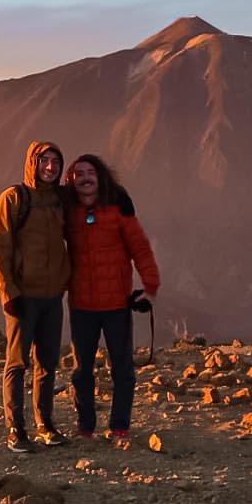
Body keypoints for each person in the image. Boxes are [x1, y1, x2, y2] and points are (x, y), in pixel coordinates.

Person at [65, 154, 160, 446]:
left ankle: (120, 427)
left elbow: (140, 248)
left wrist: (150, 287)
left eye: (90, 172)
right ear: (71, 181)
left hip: (117, 304)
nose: (85, 178)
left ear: (100, 176)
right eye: (79, 173)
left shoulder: (118, 209)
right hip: (81, 305)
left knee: (122, 369)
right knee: (82, 371)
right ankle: (85, 426)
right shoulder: (66, 213)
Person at [0, 141, 72, 453]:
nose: (50, 167)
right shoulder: (13, 199)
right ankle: (15, 429)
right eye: (44, 161)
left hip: (52, 296)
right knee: (17, 362)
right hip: (23, 296)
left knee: (47, 363)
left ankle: (45, 424)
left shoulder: (60, 200)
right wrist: (7, 291)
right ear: (32, 163)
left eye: (55, 162)